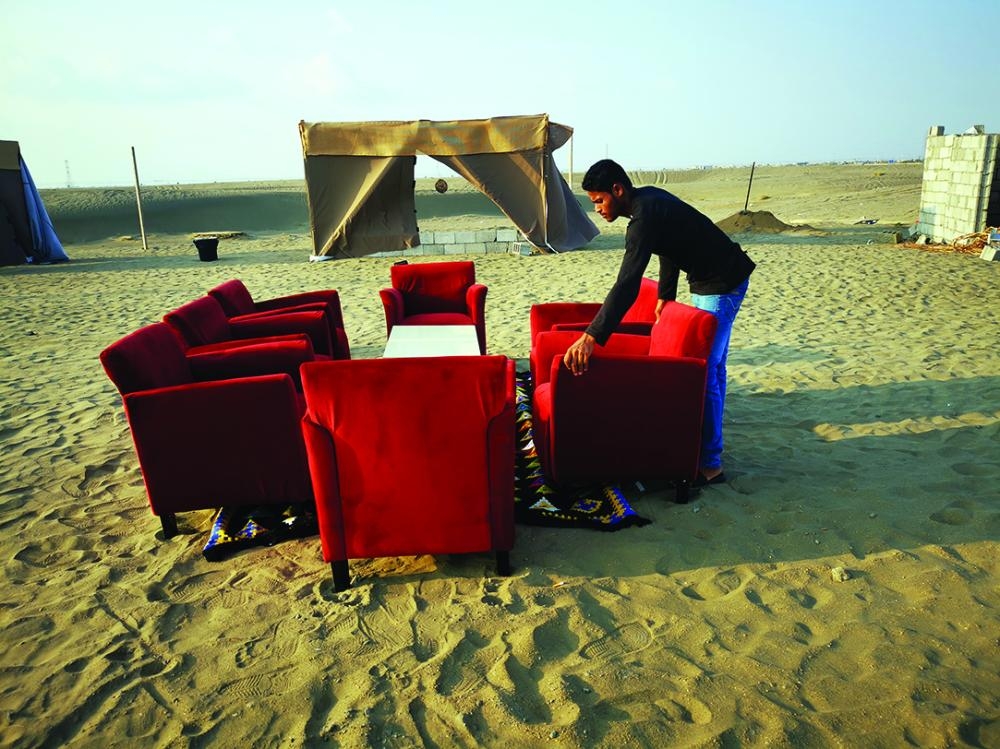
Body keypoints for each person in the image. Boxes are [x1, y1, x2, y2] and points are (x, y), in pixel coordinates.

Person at [563, 159, 755, 486]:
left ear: (617, 190)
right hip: (718, 277)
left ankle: (711, 465)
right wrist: (666, 295)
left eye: (599, 200)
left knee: (706, 371)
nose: (597, 209)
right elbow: (668, 244)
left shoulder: (643, 218)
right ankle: (710, 450)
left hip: (721, 283)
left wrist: (592, 336)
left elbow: (627, 283)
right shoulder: (648, 201)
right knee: (714, 368)